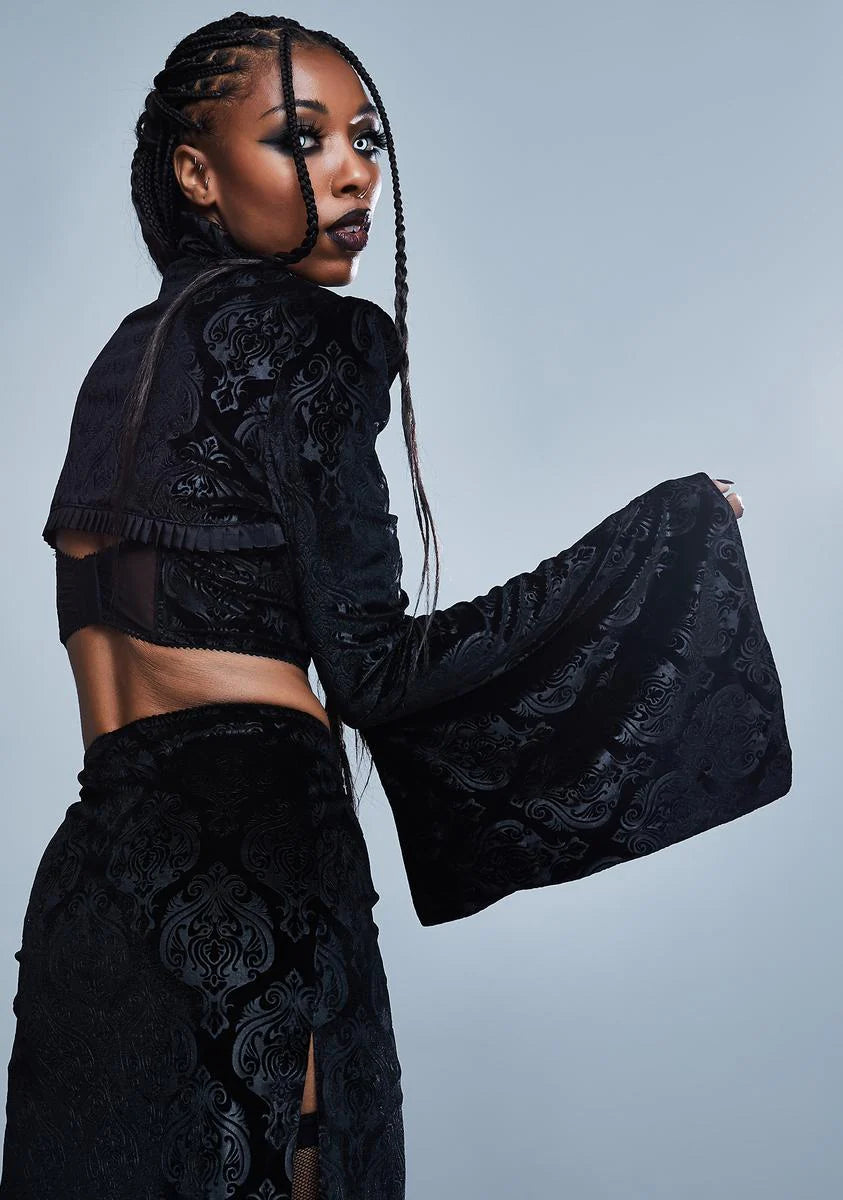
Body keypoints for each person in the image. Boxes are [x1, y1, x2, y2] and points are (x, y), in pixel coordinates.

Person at [0, 11, 790, 1200]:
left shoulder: (126, 358)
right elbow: (374, 669)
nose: (353, 170)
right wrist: (666, 540)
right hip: (255, 863)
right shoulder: (310, 338)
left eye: (363, 138)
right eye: (299, 137)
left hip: (91, 886)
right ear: (196, 173)